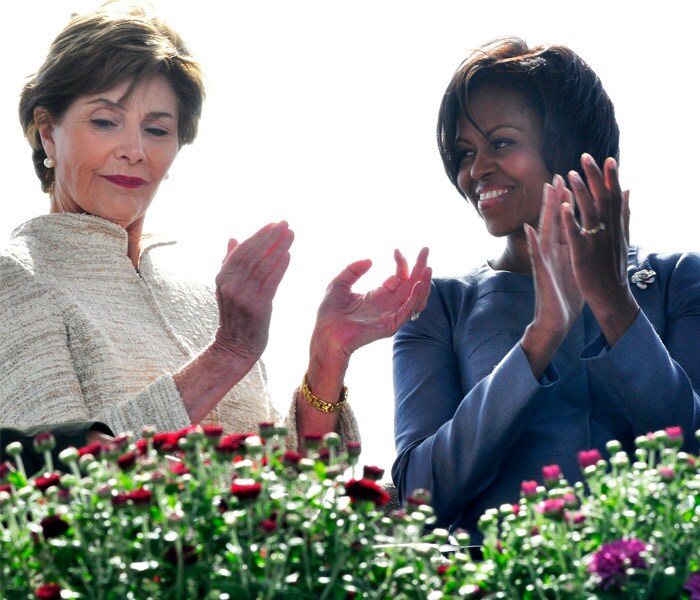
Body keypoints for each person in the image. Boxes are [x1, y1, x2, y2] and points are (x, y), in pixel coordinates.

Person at [0, 2, 431, 451]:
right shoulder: (15, 279)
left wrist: (328, 355)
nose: (134, 149)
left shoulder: (207, 298)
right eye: (105, 121)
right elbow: (50, 482)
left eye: (158, 129)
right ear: (48, 131)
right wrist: (227, 353)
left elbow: (285, 492)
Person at [391, 37, 700, 540]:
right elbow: (418, 497)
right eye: (465, 152)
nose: (475, 171)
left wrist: (614, 305)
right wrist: (541, 336)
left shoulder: (678, 280)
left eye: (501, 143)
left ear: (570, 145)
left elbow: (691, 450)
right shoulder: (438, 309)